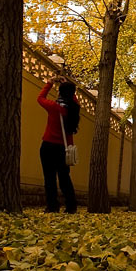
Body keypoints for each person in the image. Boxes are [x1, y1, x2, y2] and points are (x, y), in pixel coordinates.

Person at [38, 75, 80, 213]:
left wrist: (49, 83)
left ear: (60, 93)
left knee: (49, 178)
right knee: (64, 178)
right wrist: (68, 86)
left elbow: (40, 98)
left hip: (49, 145)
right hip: (64, 148)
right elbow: (74, 101)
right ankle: (71, 206)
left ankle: (52, 206)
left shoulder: (54, 107)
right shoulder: (74, 110)